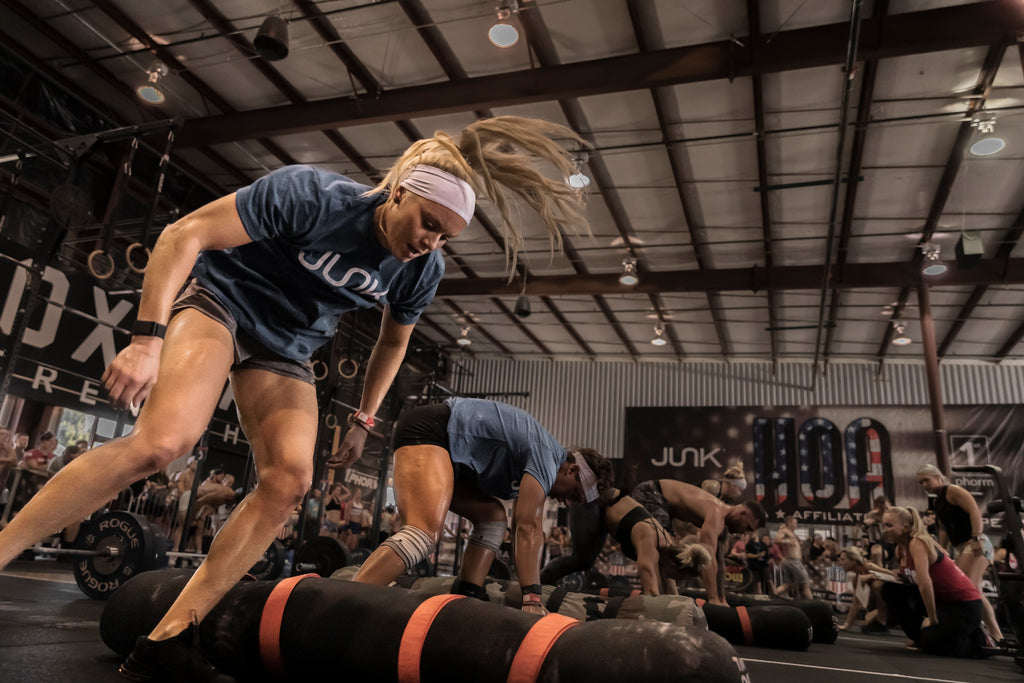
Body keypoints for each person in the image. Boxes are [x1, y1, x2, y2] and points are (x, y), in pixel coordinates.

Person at [0, 116, 590, 683]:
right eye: (427, 221)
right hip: (223, 303)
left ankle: (169, 638)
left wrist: (363, 417)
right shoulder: (313, 196)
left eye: (443, 235)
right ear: (399, 190)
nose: (429, 241)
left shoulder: (421, 269)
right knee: (163, 444)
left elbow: (393, 341)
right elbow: (186, 233)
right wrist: (146, 340)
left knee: (288, 481)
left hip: (285, 351)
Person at [352, 398, 614, 614]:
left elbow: (519, 524)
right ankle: (342, 603)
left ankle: (463, 603)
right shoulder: (548, 456)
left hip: (450, 455)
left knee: (493, 518)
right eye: (575, 494)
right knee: (424, 533)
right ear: (573, 469)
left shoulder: (543, 458)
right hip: (431, 431)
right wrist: (532, 598)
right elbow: (527, 527)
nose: (566, 501)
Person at [630, 479, 767, 605]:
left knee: (667, 552)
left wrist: (721, 598)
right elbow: (708, 558)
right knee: (662, 550)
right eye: (748, 527)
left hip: (661, 502)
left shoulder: (721, 519)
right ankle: (654, 599)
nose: (744, 532)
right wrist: (713, 599)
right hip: (651, 493)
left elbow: (718, 561)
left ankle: (668, 595)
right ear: (741, 513)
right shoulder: (717, 512)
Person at [880, 506, 986, 657]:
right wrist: (903, 576)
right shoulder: (899, 549)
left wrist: (932, 619)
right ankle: (921, 637)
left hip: (963, 606)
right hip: (942, 603)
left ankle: (980, 642)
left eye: (889, 525)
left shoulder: (917, 543)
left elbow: (925, 583)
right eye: (883, 525)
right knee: (890, 589)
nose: (884, 530)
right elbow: (915, 582)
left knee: (932, 642)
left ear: (905, 527)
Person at [917, 463, 1003, 644]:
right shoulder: (937, 500)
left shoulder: (953, 490)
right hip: (962, 547)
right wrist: (942, 551)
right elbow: (943, 529)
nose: (924, 485)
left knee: (968, 590)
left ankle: (986, 633)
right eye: (921, 483)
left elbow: (975, 512)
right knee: (975, 590)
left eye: (927, 480)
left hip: (977, 544)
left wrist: (977, 537)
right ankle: (994, 634)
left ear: (938, 476)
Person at [602, 486, 711, 596]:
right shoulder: (650, 540)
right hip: (602, 499)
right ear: (673, 566)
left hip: (606, 513)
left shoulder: (667, 551)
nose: (679, 582)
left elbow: (672, 595)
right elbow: (651, 592)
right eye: (680, 578)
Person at [836, 545, 890, 632]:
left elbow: (892, 576)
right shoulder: (856, 579)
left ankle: (882, 619)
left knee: (877, 585)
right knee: (866, 624)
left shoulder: (869, 566)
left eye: (843, 560)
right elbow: (855, 604)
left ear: (853, 560)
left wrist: (873, 576)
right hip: (879, 609)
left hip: (893, 605)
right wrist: (846, 626)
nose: (840, 563)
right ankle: (880, 617)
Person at [773, 515, 812, 600]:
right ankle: (813, 605)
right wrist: (787, 541)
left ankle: (772, 596)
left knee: (788, 584)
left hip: (793, 561)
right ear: (789, 523)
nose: (796, 525)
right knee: (805, 584)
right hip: (792, 561)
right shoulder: (785, 531)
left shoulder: (791, 533)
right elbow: (776, 540)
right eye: (795, 523)